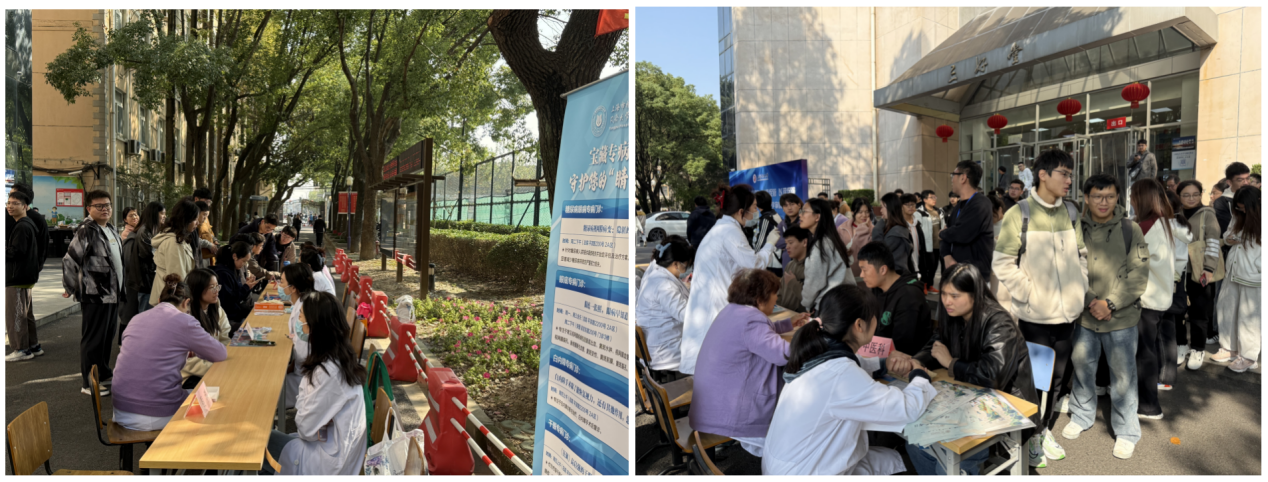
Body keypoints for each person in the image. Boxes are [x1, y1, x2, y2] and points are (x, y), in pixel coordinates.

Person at [762, 284, 936, 475]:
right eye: (874, 317)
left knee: (890, 459)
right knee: (899, 463)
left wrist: (884, 363)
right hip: (805, 471)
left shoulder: (816, 349)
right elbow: (906, 409)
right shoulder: (841, 375)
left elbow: (849, 364)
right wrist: (919, 375)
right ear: (859, 325)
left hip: (788, 463)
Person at [992, 149, 1087, 466]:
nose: (1069, 180)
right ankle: (1031, 436)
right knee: (1034, 381)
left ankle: (1043, 430)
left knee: (1057, 380)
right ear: (1042, 175)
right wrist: (1029, 294)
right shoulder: (1019, 213)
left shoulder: (1071, 211)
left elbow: (1082, 255)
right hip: (1035, 318)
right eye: (1064, 173)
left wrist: (1080, 289)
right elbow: (1002, 263)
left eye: (1070, 174)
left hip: (1068, 315)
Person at [903, 263, 1040, 475]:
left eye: (954, 295)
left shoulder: (998, 322)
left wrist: (951, 363)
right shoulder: (954, 315)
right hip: (968, 394)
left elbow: (993, 376)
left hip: (1005, 403)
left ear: (975, 295)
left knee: (946, 459)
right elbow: (935, 346)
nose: (946, 301)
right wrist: (914, 361)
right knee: (915, 442)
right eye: (944, 294)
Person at [1063, 173, 1147, 460]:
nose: (1104, 202)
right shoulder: (1074, 228)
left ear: (1117, 197)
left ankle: (1126, 431)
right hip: (1085, 316)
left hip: (1120, 317)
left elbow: (1139, 273)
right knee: (1083, 368)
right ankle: (1081, 415)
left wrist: (1110, 303)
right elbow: (1068, 268)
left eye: (1110, 196)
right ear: (1086, 198)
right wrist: (1091, 301)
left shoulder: (1130, 229)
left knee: (1123, 376)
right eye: (1097, 196)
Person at [689, 269, 809, 457]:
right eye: (774, 293)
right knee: (794, 447)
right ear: (760, 299)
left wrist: (788, 323)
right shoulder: (751, 321)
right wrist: (812, 337)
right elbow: (784, 354)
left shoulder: (732, 311)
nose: (776, 298)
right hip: (730, 416)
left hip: (711, 406)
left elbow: (759, 334)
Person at [678, 185, 779, 375]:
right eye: (754, 207)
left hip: (712, 304)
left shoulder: (722, 228)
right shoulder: (729, 232)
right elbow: (754, 265)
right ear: (741, 211)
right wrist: (770, 244)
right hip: (715, 307)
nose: (756, 212)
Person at [264, 291, 367, 475]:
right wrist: (315, 419)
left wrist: (309, 414)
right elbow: (306, 415)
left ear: (315, 326)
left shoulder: (328, 371)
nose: (299, 323)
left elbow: (304, 428)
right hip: (332, 450)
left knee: (256, 443)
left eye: (301, 318)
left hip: (327, 464)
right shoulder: (339, 357)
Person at [111, 274, 228, 430]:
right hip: (156, 412)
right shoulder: (185, 321)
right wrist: (195, 350)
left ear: (160, 300)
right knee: (214, 397)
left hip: (121, 410)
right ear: (187, 303)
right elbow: (220, 353)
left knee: (194, 393)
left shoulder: (136, 319)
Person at [62, 190, 126, 396]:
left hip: (112, 293)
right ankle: (89, 383)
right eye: (99, 206)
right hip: (95, 294)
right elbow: (70, 259)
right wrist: (69, 286)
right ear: (89, 208)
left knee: (107, 336)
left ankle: (103, 372)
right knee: (93, 339)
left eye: (107, 205)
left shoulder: (110, 228)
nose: (104, 209)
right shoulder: (87, 230)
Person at [1123, 179, 1175, 420]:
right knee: (1149, 350)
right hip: (1159, 296)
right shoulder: (1165, 222)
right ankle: (1148, 401)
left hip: (1145, 298)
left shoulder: (1144, 226)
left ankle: (1148, 405)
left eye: (1133, 195)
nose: (1131, 199)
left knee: (1144, 354)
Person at [1213, 186, 1261, 373]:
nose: (1241, 211)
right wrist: (1229, 238)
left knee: (1249, 316)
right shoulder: (1239, 214)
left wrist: (1258, 266)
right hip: (1233, 269)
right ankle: (1229, 348)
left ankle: (1248, 356)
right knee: (1226, 309)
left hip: (1254, 274)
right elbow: (1227, 235)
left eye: (1243, 207)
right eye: (1238, 207)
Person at [1175, 180, 1221, 370]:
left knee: (1199, 311)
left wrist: (1209, 268)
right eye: (1186, 195)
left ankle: (1198, 348)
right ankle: (1181, 344)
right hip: (1177, 271)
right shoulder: (1174, 213)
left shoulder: (1207, 214)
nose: (1191, 198)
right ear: (1179, 196)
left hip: (1200, 271)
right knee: (1177, 310)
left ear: (1201, 194)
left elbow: (1213, 242)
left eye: (1195, 194)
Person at [856, 242, 932, 355]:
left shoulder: (909, 296)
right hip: (881, 353)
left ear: (883, 270)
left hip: (906, 358)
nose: (861, 275)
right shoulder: (877, 289)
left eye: (864, 270)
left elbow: (902, 346)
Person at [634, 235, 694, 373]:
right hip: (666, 354)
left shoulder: (657, 273)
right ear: (676, 264)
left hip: (659, 345)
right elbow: (688, 316)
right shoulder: (664, 285)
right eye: (685, 266)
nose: (685, 270)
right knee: (715, 353)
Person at [1157, 189, 1192, 390]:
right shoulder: (1180, 224)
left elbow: (1173, 259)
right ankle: (1166, 376)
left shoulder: (1169, 226)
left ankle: (1164, 377)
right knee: (1167, 330)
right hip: (1173, 283)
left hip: (1167, 283)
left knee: (1163, 332)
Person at [799, 198, 856, 312]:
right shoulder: (831, 240)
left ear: (817, 217)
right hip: (844, 302)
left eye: (804, 211)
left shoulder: (820, 246)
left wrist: (806, 305)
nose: (800, 215)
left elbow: (813, 283)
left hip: (830, 307)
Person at [942, 160, 995, 278]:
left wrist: (943, 233)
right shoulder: (958, 206)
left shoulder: (981, 203)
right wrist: (946, 255)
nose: (952, 179)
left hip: (975, 274)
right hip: (957, 270)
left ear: (963, 178)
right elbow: (948, 235)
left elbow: (962, 233)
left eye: (953, 175)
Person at [180, 269, 232, 388]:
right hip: (190, 375)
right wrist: (218, 367)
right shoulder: (186, 316)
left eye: (217, 286)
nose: (216, 291)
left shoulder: (216, 309)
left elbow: (224, 338)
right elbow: (186, 361)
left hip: (214, 365)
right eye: (212, 287)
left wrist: (226, 359)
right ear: (197, 289)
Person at [6, 191, 42, 361]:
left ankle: (21, 349)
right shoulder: (27, 224)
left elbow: (16, 252)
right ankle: (33, 345)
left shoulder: (22, 226)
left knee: (15, 314)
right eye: (8, 203)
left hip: (17, 277)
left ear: (25, 206)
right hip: (25, 276)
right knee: (26, 314)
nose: (10, 206)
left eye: (15, 203)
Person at [280, 263, 319, 409]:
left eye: (282, 282)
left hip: (304, 378)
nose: (279, 286)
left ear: (293, 288)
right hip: (303, 372)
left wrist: (286, 368)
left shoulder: (304, 311)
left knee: (267, 392)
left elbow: (303, 355)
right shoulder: (303, 303)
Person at [151, 199, 199, 306]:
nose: (198, 223)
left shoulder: (179, 238)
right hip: (171, 302)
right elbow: (177, 278)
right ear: (185, 219)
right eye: (195, 219)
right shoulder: (174, 243)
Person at [214, 242, 263, 333]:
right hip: (228, 317)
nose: (245, 264)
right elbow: (228, 300)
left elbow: (240, 296)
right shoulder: (222, 273)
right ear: (235, 256)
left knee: (260, 314)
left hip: (236, 312)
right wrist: (246, 287)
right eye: (244, 261)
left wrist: (248, 286)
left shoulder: (232, 270)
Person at [877, 193, 918, 276]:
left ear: (889, 208)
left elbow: (879, 253)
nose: (880, 210)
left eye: (882, 207)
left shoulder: (895, 233)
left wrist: (877, 227)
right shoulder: (898, 228)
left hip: (894, 276)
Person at [776, 227, 809, 311]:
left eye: (790, 243)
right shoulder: (790, 265)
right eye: (786, 243)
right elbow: (780, 293)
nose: (787, 247)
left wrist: (793, 283)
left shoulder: (810, 266)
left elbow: (810, 298)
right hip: (785, 314)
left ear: (804, 242)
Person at [916, 190, 941, 293]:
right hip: (926, 245)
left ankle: (930, 285)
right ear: (924, 199)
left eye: (935, 197)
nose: (934, 199)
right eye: (931, 197)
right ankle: (924, 285)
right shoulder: (919, 213)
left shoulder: (939, 211)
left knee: (934, 267)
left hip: (938, 244)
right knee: (926, 267)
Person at [844, 201, 874, 277]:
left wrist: (863, 227)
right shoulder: (842, 229)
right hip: (847, 273)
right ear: (853, 212)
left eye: (867, 212)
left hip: (868, 274)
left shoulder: (874, 230)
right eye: (860, 212)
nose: (864, 215)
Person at [775, 193, 803, 271]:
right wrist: (793, 241)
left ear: (799, 205)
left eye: (792, 204)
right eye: (785, 205)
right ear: (783, 209)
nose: (789, 208)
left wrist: (785, 243)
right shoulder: (782, 224)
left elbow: (804, 241)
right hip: (786, 262)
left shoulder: (804, 222)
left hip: (802, 263)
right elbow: (777, 242)